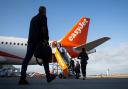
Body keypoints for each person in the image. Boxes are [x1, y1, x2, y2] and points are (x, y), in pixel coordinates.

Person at [19, 6, 54, 85]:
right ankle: (48, 77)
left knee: (26, 59)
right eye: (45, 11)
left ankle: (22, 78)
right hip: (39, 42)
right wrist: (46, 40)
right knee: (45, 59)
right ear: (44, 11)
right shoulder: (43, 17)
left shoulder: (33, 18)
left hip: (31, 41)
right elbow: (44, 28)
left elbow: (31, 30)